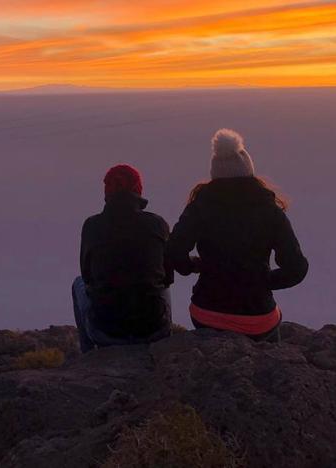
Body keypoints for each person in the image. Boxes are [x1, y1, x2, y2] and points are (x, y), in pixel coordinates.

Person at [166, 129, 308, 340]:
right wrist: (261, 281)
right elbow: (296, 268)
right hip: (257, 317)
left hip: (207, 313)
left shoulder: (200, 206)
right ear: (249, 170)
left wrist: (194, 266)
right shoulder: (269, 210)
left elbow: (174, 252)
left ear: (214, 174)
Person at [72, 164, 174, 353]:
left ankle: (88, 356)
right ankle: (162, 350)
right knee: (162, 285)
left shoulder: (92, 226)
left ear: (107, 192)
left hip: (105, 332)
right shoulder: (157, 225)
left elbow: (87, 276)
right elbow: (168, 277)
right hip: (153, 330)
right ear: (138, 189)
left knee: (77, 284)